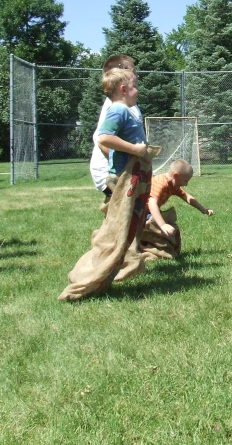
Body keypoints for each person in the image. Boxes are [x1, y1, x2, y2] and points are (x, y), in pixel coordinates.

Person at [58, 68, 154, 301]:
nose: (138, 90)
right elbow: (104, 138)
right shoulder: (118, 110)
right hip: (123, 180)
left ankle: (105, 276)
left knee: (126, 231)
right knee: (116, 232)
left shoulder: (127, 110)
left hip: (133, 178)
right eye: (135, 85)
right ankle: (90, 278)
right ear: (124, 89)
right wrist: (135, 150)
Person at [119, 159, 213, 270]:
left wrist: (203, 209)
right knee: (142, 230)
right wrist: (162, 224)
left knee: (164, 227)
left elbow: (187, 197)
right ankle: (138, 250)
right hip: (138, 212)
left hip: (148, 212)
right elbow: (152, 202)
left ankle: (151, 246)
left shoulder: (173, 185)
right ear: (176, 175)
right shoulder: (161, 182)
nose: (186, 184)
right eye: (185, 181)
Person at [88, 55, 138, 201]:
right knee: (132, 214)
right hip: (110, 172)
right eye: (133, 71)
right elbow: (102, 141)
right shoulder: (115, 106)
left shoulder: (126, 102)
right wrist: (125, 169)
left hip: (121, 171)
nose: (136, 75)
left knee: (129, 215)